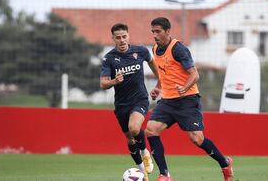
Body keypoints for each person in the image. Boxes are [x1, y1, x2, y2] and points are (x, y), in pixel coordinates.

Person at [145, 17, 233, 181]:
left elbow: (195, 74)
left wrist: (185, 87)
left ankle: (225, 162)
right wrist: (158, 87)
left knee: (197, 139)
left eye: (158, 31)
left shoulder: (179, 49)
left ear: (167, 31)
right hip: (168, 102)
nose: (155, 35)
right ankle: (165, 174)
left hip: (187, 100)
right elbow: (163, 71)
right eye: (153, 32)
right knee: (150, 130)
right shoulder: (155, 49)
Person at [100, 23, 158, 181]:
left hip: (140, 98)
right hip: (121, 105)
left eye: (124, 36)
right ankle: (142, 173)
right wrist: (114, 81)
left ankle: (145, 152)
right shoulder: (109, 58)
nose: (122, 40)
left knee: (134, 128)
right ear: (113, 39)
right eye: (118, 37)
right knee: (130, 138)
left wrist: (160, 81)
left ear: (128, 36)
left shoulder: (141, 51)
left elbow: (153, 62)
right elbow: (103, 84)